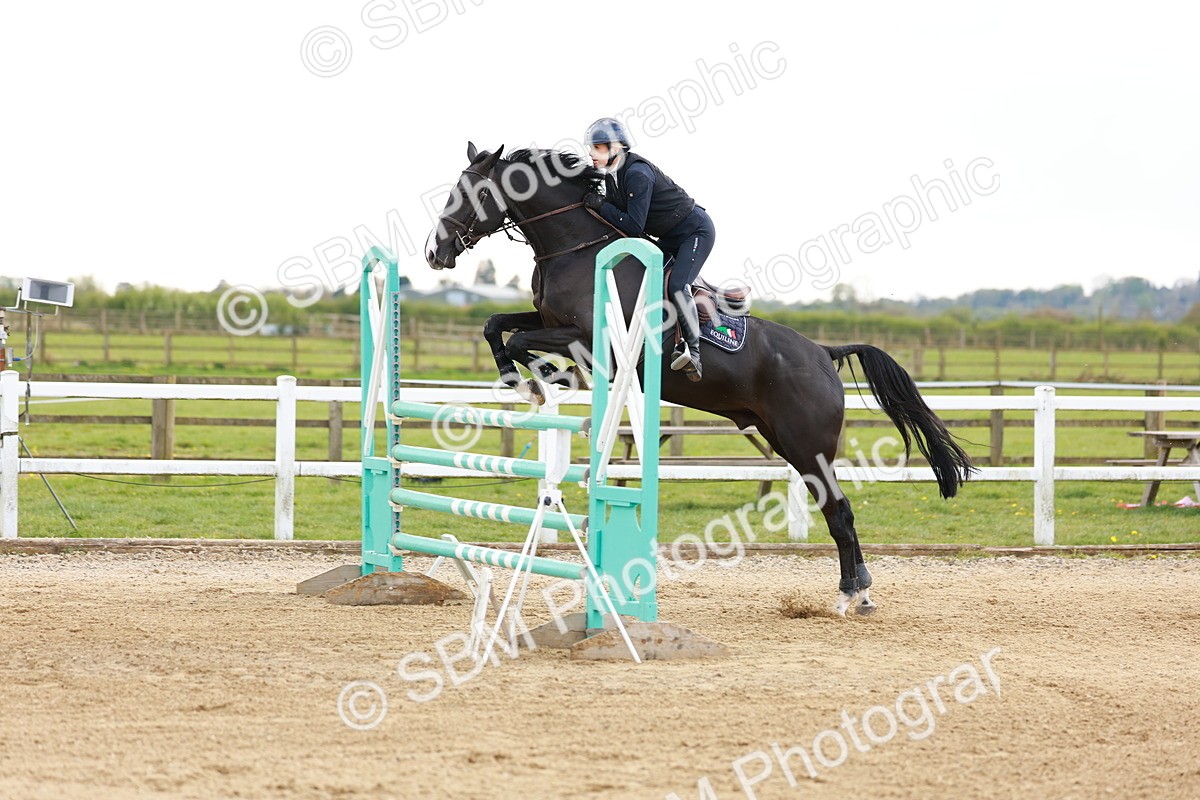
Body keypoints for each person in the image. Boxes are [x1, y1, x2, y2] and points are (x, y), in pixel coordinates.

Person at [581, 117, 714, 381]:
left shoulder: (637, 174)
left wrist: (601, 205)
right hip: (669, 235)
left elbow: (632, 226)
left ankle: (694, 353)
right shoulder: (613, 175)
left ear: (615, 147)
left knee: (677, 285)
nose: (591, 154)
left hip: (694, 233)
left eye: (597, 148)